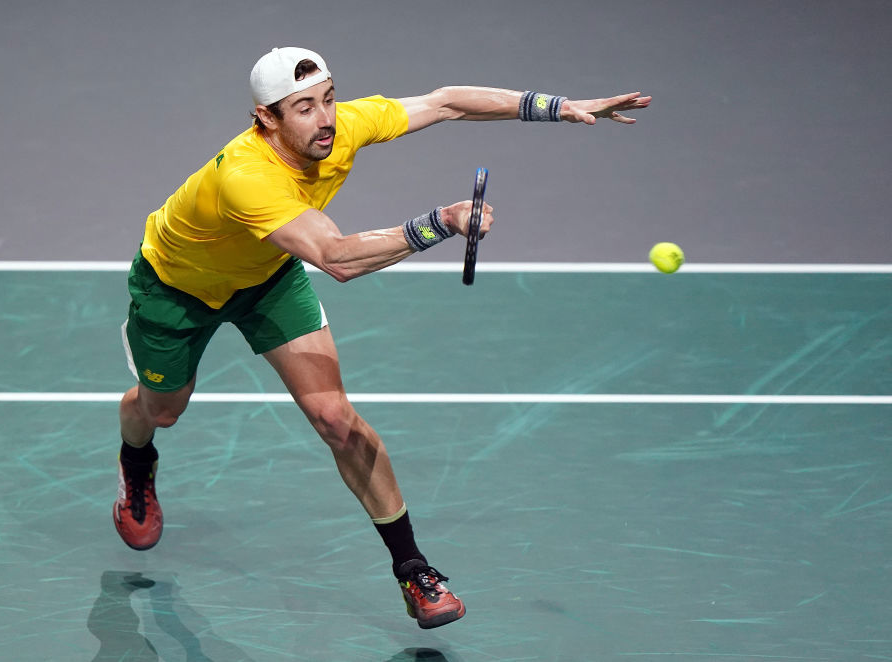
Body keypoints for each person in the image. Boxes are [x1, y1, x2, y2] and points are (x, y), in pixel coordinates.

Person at [113, 46, 651, 629]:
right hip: (177, 290)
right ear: (266, 118)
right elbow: (336, 259)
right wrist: (440, 223)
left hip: (267, 278)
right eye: (302, 109)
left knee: (337, 421)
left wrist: (558, 106)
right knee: (161, 410)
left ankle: (413, 568)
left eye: (328, 99)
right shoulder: (245, 178)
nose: (324, 120)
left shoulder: (342, 126)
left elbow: (445, 103)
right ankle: (136, 461)